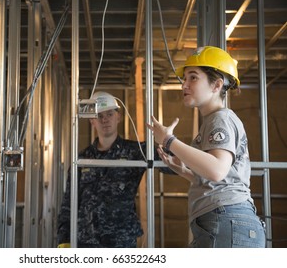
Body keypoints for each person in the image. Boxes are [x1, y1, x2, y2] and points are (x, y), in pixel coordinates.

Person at [147, 46, 266, 248]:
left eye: (193, 77)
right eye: (184, 78)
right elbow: (223, 178)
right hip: (227, 220)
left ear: (216, 85)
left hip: (226, 218)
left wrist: (169, 141)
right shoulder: (215, 120)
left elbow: (217, 170)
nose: (184, 84)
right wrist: (184, 171)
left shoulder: (220, 119)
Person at [57, 91, 170, 248]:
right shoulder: (81, 159)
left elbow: (172, 165)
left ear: (118, 117)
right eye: (99, 116)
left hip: (121, 240)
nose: (105, 120)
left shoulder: (135, 151)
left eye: (110, 114)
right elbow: (69, 203)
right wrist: (64, 239)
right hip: (87, 240)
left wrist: (167, 140)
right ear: (92, 121)